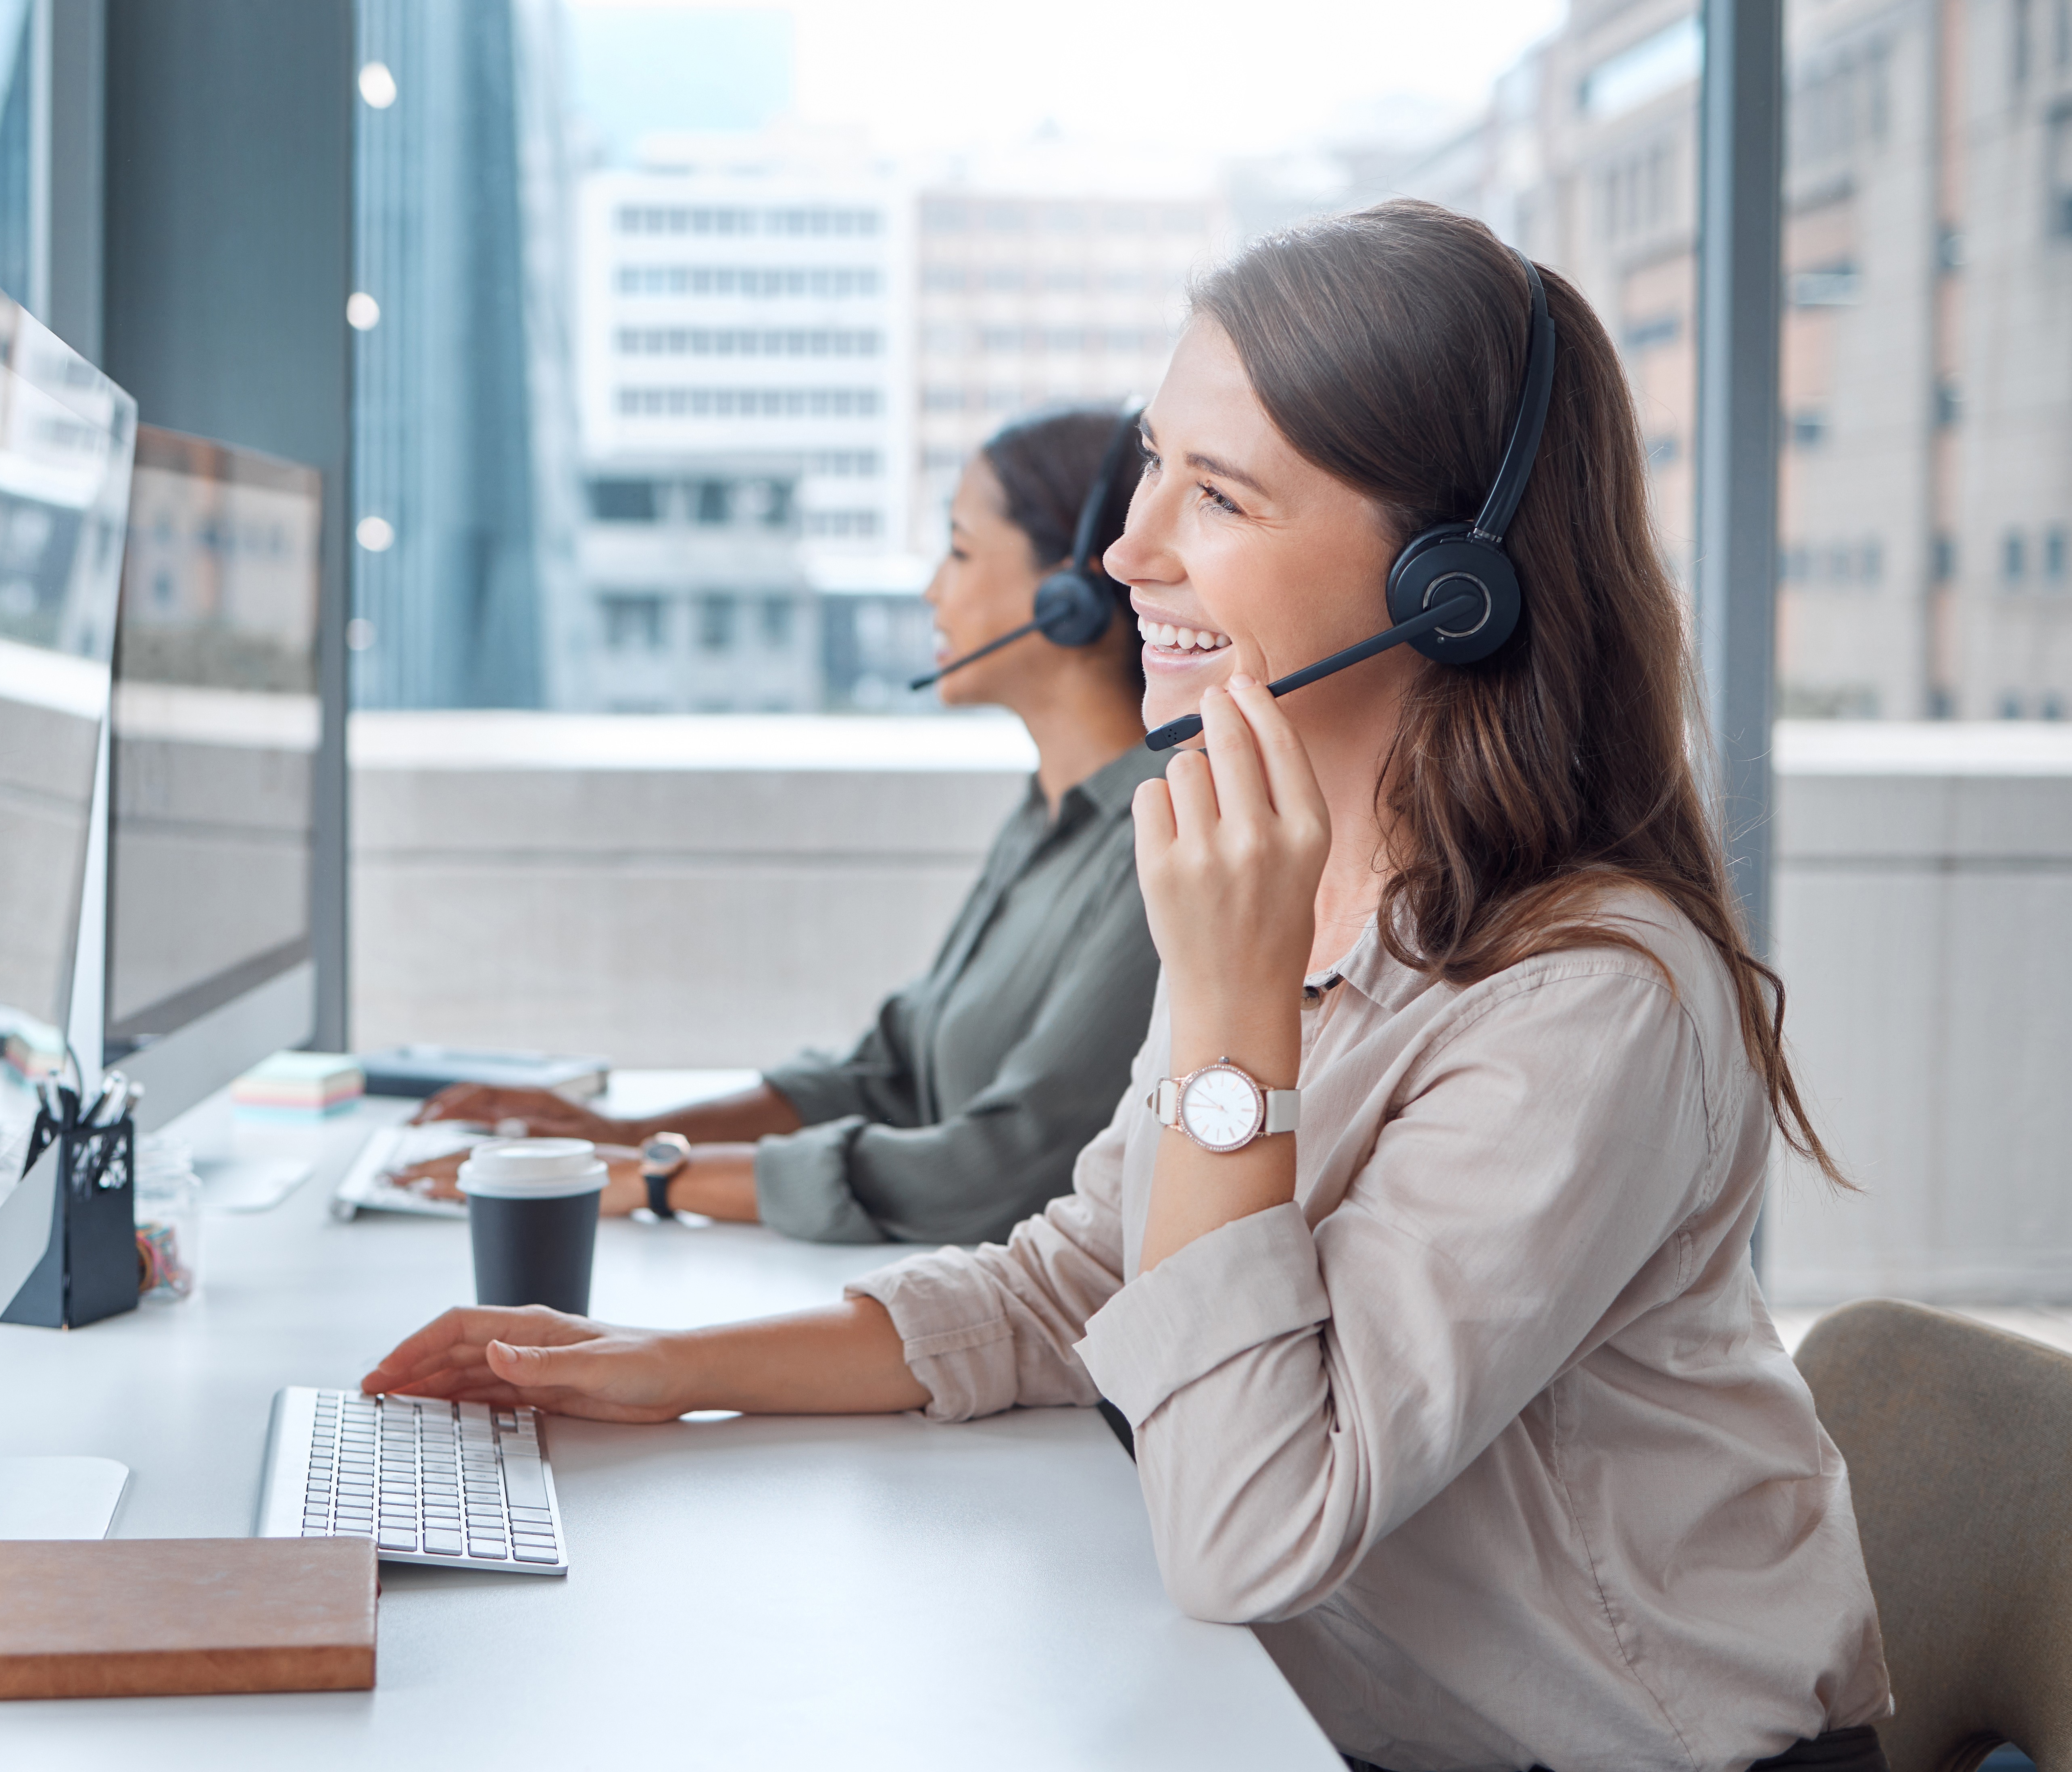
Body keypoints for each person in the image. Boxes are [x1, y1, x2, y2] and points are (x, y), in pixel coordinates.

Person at [360, 202, 1893, 1772]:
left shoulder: (1586, 1002)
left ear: (1446, 584)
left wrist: (1230, 1008)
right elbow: (1084, 1279)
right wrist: (661, 1372)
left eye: (1214, 496)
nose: (1123, 551)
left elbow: (1249, 1527)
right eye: (1151, 461)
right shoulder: (1279, 885)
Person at [399, 406, 1167, 1245]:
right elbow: (887, 1075)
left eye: (957, 549)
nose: (930, 590)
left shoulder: (1157, 845)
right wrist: (617, 1137)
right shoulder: (1045, 817)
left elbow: (1000, 1170)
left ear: (1074, 590)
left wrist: (652, 1180)